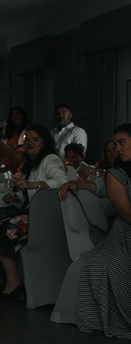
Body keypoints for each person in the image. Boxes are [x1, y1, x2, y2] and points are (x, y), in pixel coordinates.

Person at [0, 124, 68, 299]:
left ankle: (13, 282)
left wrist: (31, 184)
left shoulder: (50, 159)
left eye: (35, 139)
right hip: (33, 214)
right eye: (27, 139)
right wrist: (18, 197)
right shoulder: (32, 163)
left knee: (1, 229)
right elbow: (33, 196)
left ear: (44, 142)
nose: (30, 143)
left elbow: (62, 181)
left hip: (46, 219)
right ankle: (13, 280)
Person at [75, 123, 131, 339]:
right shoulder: (116, 175)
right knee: (115, 265)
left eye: (122, 143)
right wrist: (77, 183)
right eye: (115, 144)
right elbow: (127, 214)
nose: (117, 148)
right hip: (125, 234)